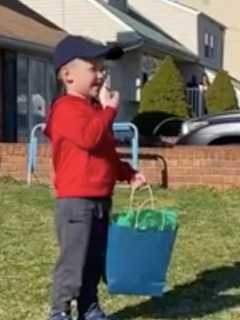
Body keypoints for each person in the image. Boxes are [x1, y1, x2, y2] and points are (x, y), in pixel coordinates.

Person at [44, 35, 146, 320]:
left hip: (101, 197)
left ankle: (89, 307)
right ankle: (60, 310)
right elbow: (89, 139)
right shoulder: (65, 109)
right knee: (73, 260)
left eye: (103, 69)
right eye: (94, 68)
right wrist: (110, 110)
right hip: (75, 201)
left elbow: (106, 152)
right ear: (68, 75)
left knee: (94, 258)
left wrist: (127, 173)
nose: (101, 75)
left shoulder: (95, 112)